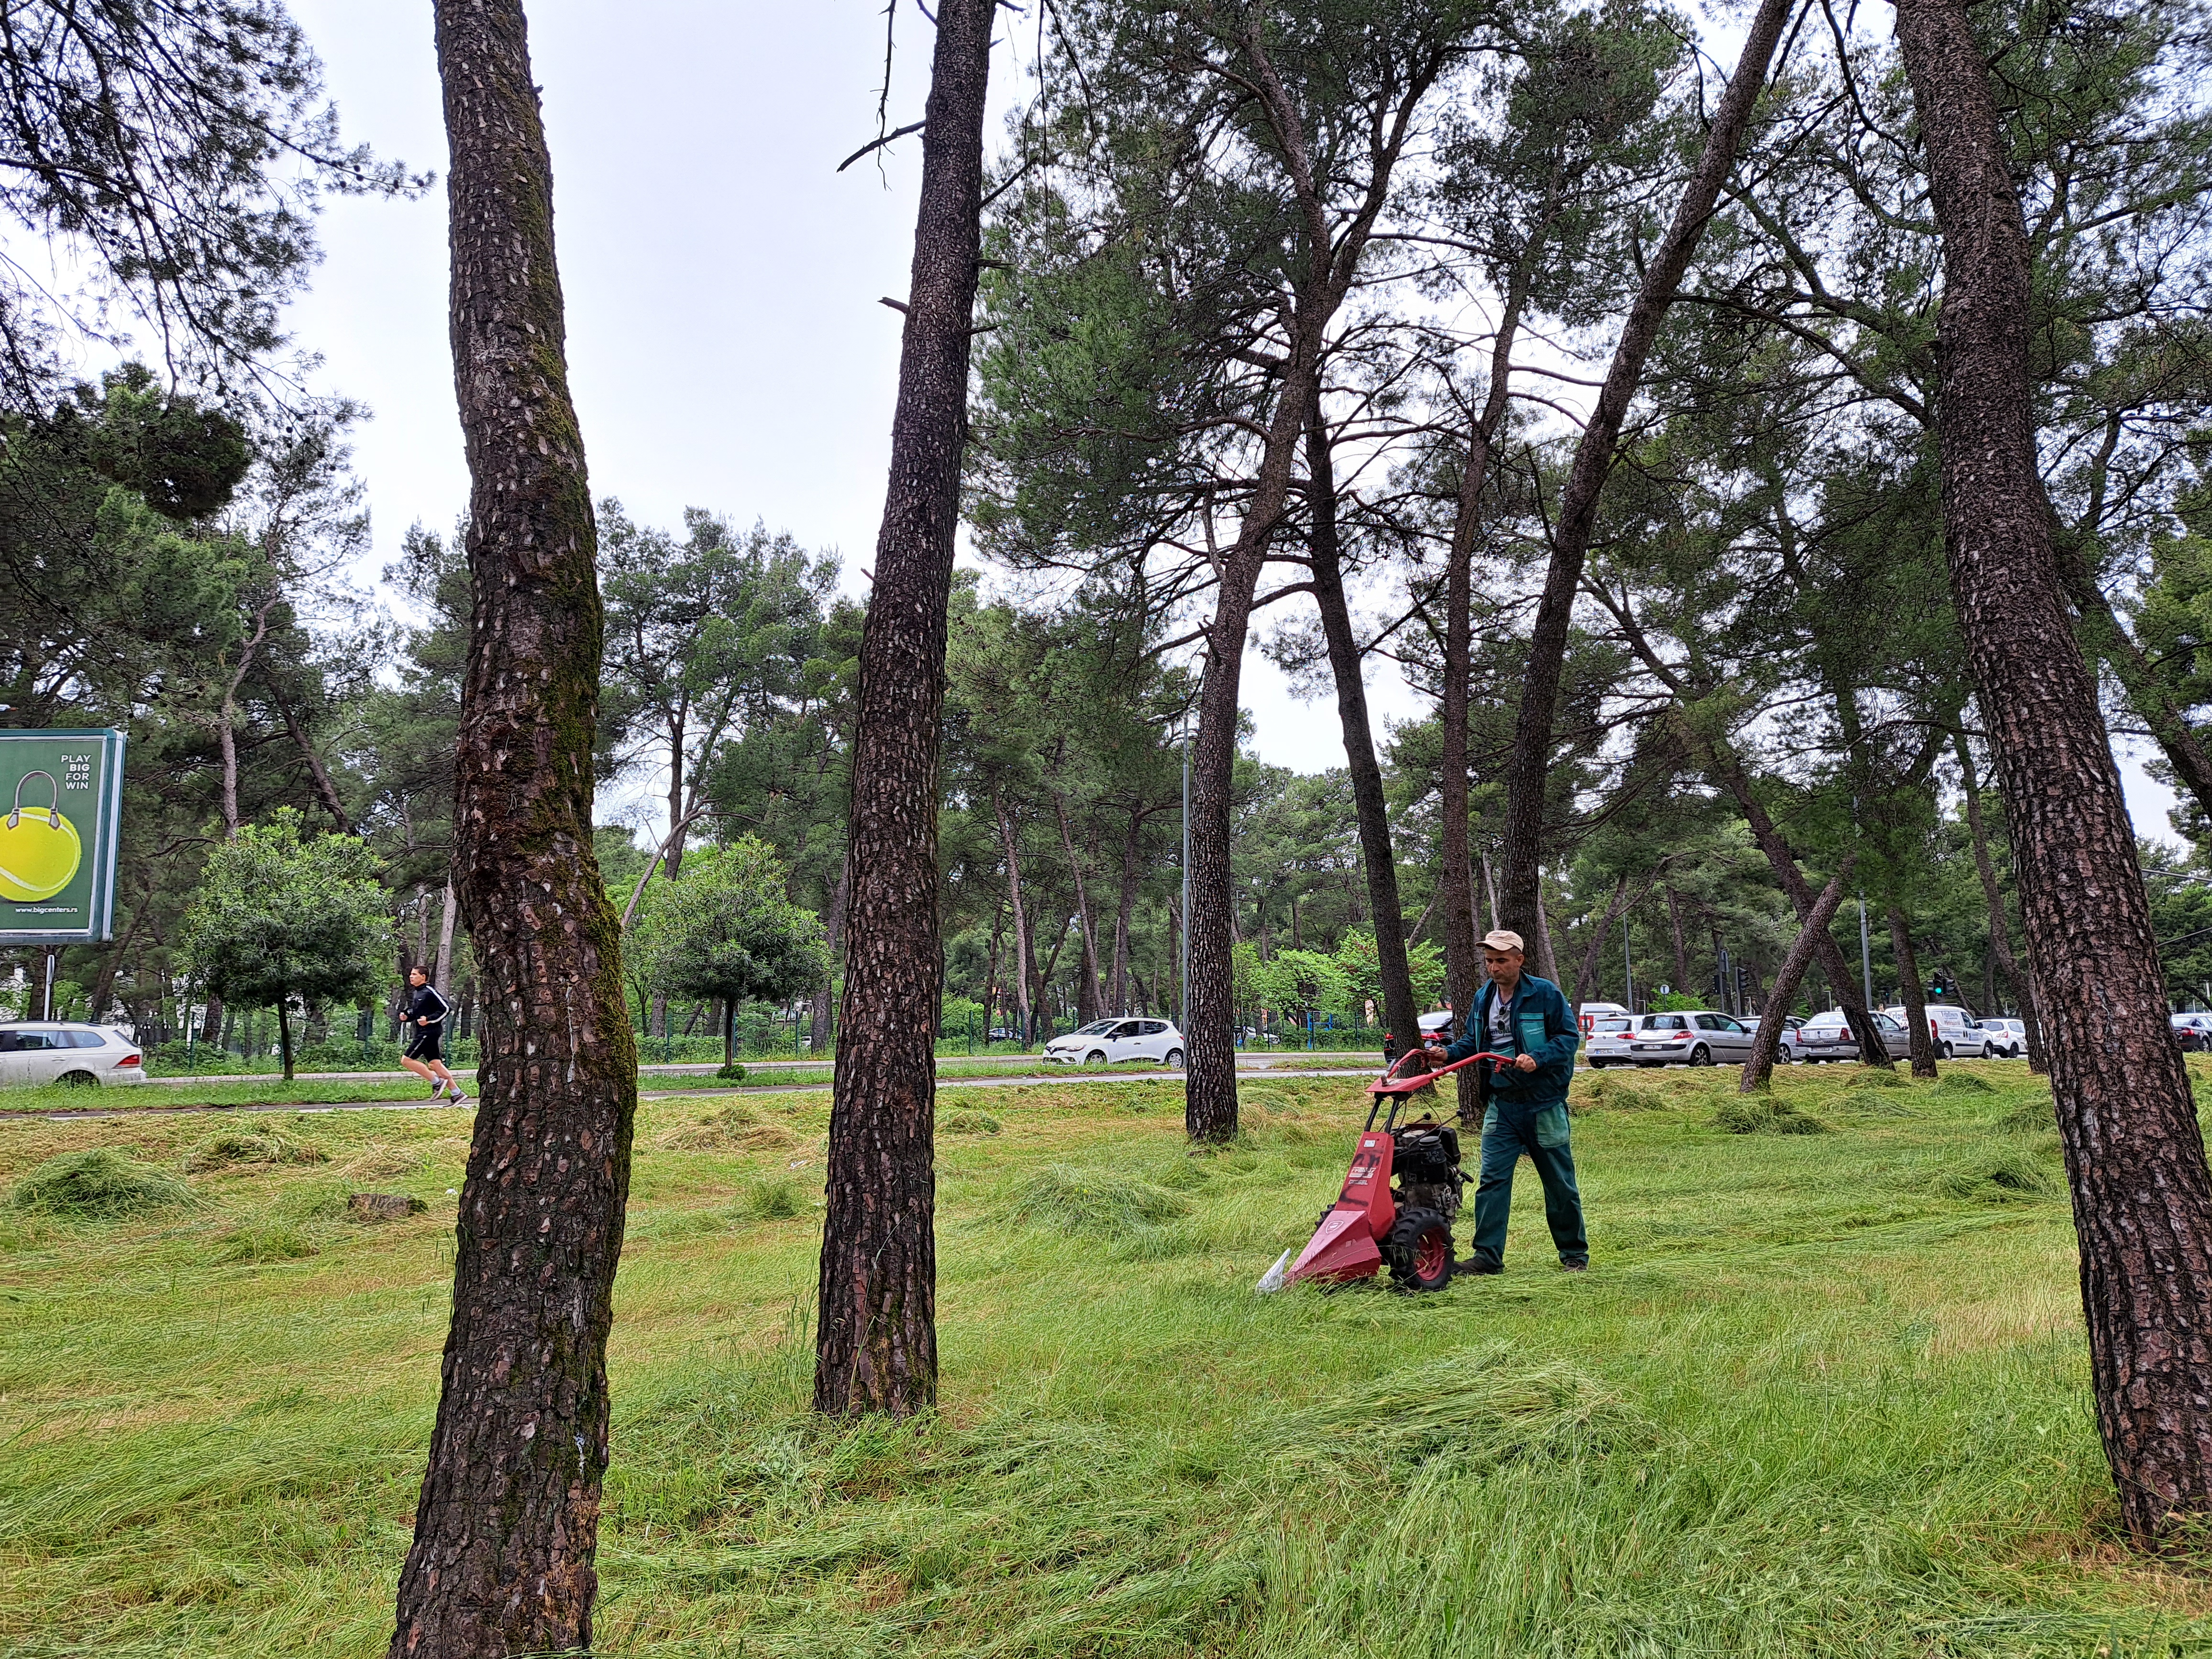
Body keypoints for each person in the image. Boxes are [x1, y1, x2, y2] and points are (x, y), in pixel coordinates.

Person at [1423, 929, 1586, 1274]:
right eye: (1489, 961)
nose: (1493, 968)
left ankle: (1574, 1255)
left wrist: (1538, 1057)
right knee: (1493, 1180)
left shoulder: (1545, 994)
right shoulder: (1484, 997)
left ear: (1519, 960)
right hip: (1503, 1104)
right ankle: (1487, 1257)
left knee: (1559, 1183)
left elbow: (1569, 1038)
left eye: (1500, 961)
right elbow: (1473, 1042)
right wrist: (1448, 1053)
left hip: (1543, 1103)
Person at [398, 965, 466, 1104]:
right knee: (435, 1064)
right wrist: (407, 1016)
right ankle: (457, 1093)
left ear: (423, 977)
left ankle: (436, 1082)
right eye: (411, 974)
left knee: (406, 1060)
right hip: (424, 1032)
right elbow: (417, 1013)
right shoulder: (418, 992)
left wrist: (429, 1020)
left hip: (428, 1033)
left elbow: (446, 1008)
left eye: (415, 975)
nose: (411, 977)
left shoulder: (429, 991)